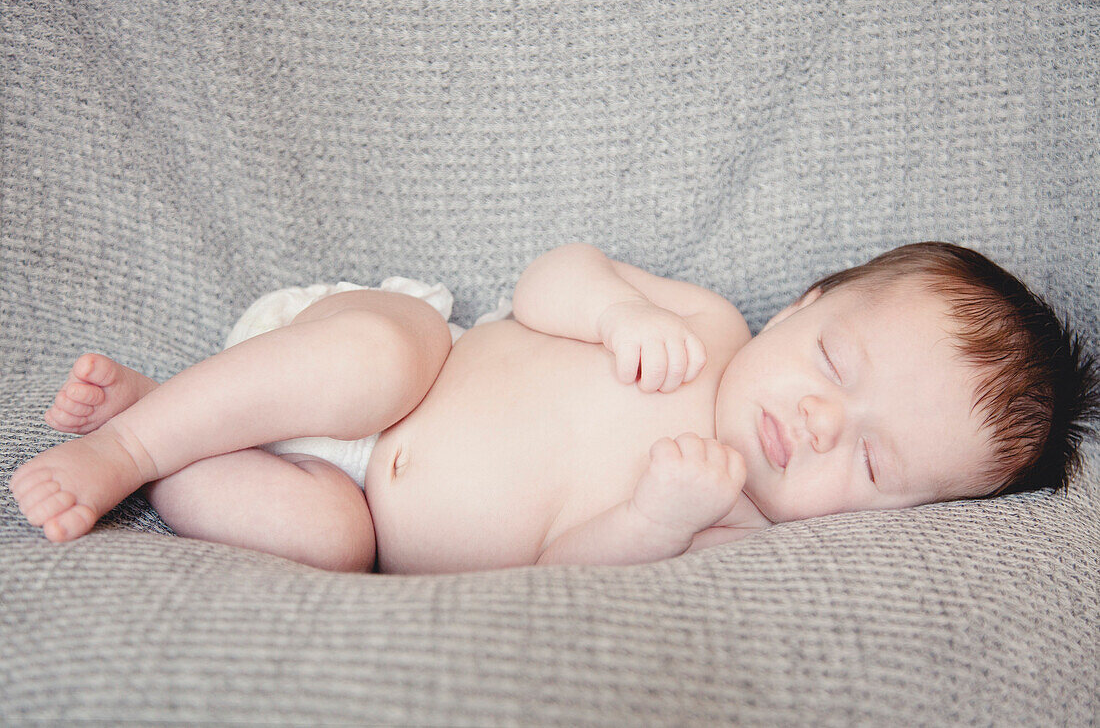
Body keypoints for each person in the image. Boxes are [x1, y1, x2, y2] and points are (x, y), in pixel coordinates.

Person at [9, 242, 1099, 573]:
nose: (819, 421)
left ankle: (176, 437)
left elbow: (565, 570)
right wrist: (617, 311)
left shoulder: (721, 529)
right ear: (804, 304)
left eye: (867, 462)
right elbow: (548, 277)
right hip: (381, 357)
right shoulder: (708, 327)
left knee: (327, 542)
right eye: (834, 361)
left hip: (349, 502)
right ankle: (133, 438)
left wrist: (655, 519)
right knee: (384, 358)